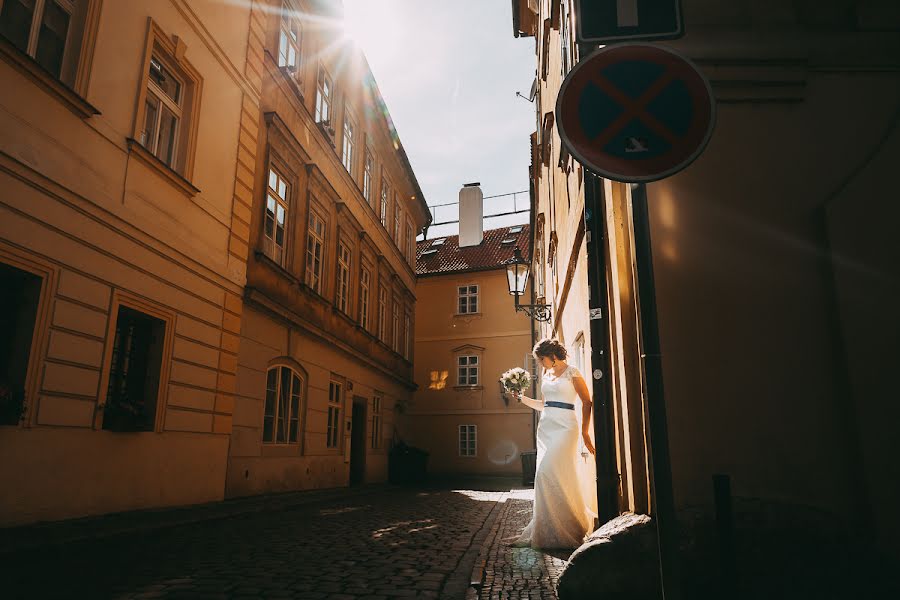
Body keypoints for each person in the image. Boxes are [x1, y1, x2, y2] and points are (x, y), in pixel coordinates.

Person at [505, 338, 596, 549]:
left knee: (548, 472)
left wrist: (585, 432)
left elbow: (587, 401)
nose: (540, 364)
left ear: (552, 356)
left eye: (541, 359)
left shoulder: (572, 372)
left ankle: (570, 529)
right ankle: (547, 531)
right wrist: (522, 399)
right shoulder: (547, 375)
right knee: (545, 477)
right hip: (547, 427)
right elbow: (544, 405)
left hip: (566, 428)